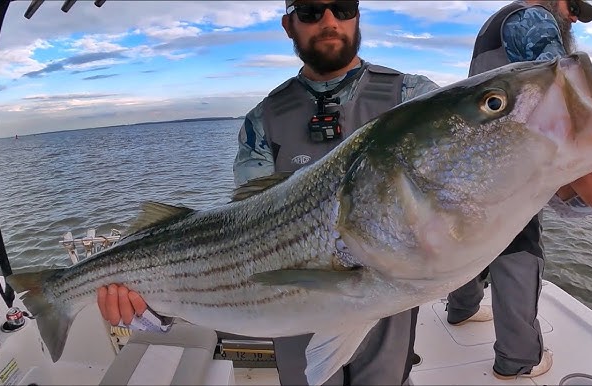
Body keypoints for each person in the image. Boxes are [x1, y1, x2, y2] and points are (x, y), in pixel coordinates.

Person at [97, 1, 439, 385]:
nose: (329, 21)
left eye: (342, 8)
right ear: (288, 25)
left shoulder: (414, 98)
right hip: (291, 301)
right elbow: (245, 229)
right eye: (310, 11)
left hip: (386, 294)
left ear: (358, 16)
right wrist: (154, 298)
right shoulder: (263, 119)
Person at [445, 0, 592, 380]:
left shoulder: (494, 24)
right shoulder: (534, 18)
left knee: (473, 241)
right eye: (571, 5)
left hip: (477, 162)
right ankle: (518, 357)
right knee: (521, 249)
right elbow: (564, 89)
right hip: (514, 165)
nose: (573, 15)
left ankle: (462, 307)